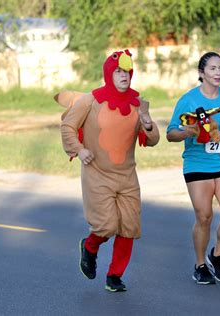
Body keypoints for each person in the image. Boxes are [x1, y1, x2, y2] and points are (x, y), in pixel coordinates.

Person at [56, 49, 160, 291]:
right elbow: (67, 127)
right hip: (97, 173)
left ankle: (114, 276)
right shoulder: (89, 101)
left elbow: (153, 139)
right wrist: (80, 150)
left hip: (127, 175)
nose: (124, 76)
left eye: (127, 72)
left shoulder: (137, 103)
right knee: (106, 225)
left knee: (129, 226)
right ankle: (90, 247)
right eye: (119, 72)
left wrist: (147, 123)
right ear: (108, 74)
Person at [166, 52, 220, 284]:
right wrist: (188, 131)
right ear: (202, 73)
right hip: (198, 163)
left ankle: (217, 254)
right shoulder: (188, 100)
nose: (218, 72)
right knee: (204, 217)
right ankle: (200, 265)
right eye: (212, 68)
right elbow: (171, 133)